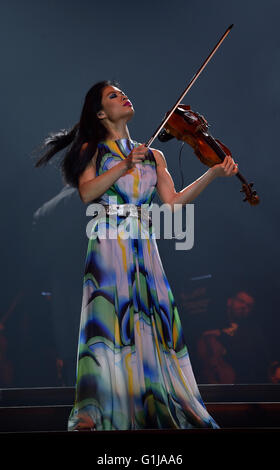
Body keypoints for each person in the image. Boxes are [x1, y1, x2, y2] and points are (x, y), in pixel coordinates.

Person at [34, 79, 238, 431]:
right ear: (101, 113)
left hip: (144, 243)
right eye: (113, 95)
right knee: (112, 324)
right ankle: (100, 409)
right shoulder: (92, 149)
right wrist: (126, 163)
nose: (123, 96)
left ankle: (151, 399)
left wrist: (213, 173)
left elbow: (172, 204)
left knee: (151, 320)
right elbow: (87, 192)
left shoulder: (154, 154)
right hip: (109, 242)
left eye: (122, 92)